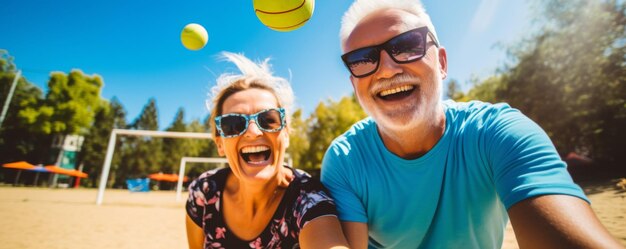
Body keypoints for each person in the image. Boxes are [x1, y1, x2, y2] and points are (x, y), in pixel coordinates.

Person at [320, 0, 625, 248]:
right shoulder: (345, 160)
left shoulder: (498, 133)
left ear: (441, 62)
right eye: (362, 59)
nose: (386, 69)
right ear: (353, 84)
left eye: (407, 45)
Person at [186, 52, 349, 249]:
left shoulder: (308, 201)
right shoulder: (204, 192)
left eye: (268, 120)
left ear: (286, 134)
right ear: (220, 143)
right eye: (233, 124)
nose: (253, 132)